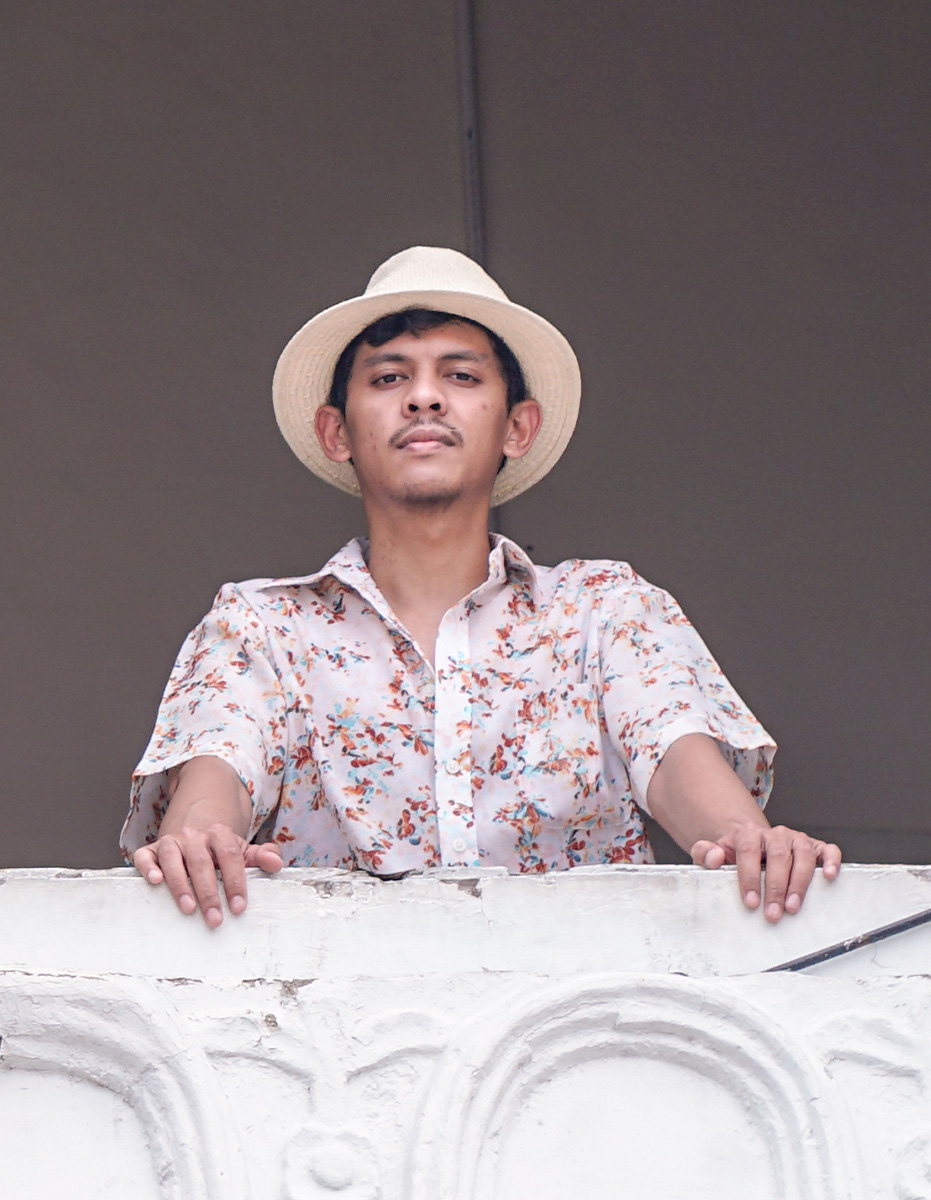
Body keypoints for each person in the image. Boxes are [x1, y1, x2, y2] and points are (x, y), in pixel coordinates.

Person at [121, 246, 841, 928]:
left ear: (517, 428)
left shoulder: (604, 610)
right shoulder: (261, 626)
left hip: (580, 1003)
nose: (424, 398)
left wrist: (747, 837)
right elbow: (216, 781)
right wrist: (200, 839)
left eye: (462, 377)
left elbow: (680, 761)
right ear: (335, 432)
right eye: (388, 378)